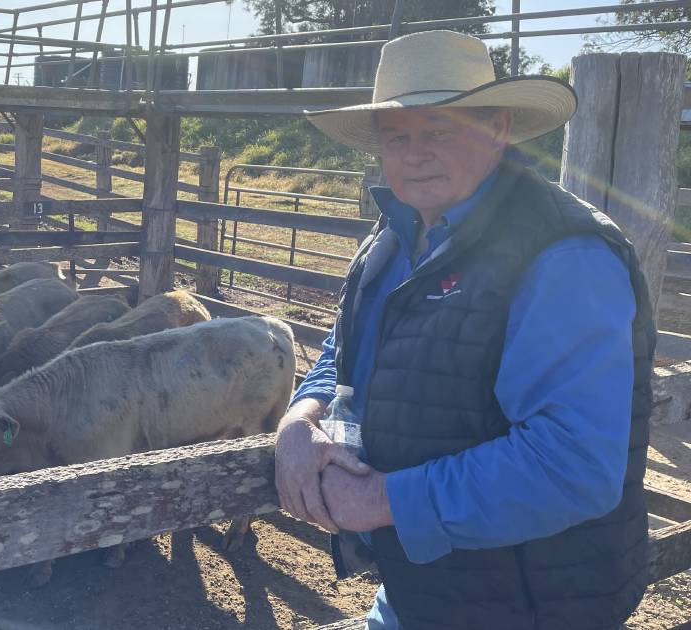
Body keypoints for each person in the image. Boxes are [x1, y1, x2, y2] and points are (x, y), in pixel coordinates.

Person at [273, 30, 655, 629]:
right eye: (396, 137)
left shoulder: (563, 255)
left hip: (530, 603)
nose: (414, 153)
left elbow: (575, 464)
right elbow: (350, 348)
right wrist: (301, 417)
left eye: (438, 132)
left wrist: (378, 501)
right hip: (424, 587)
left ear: (497, 128)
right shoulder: (399, 234)